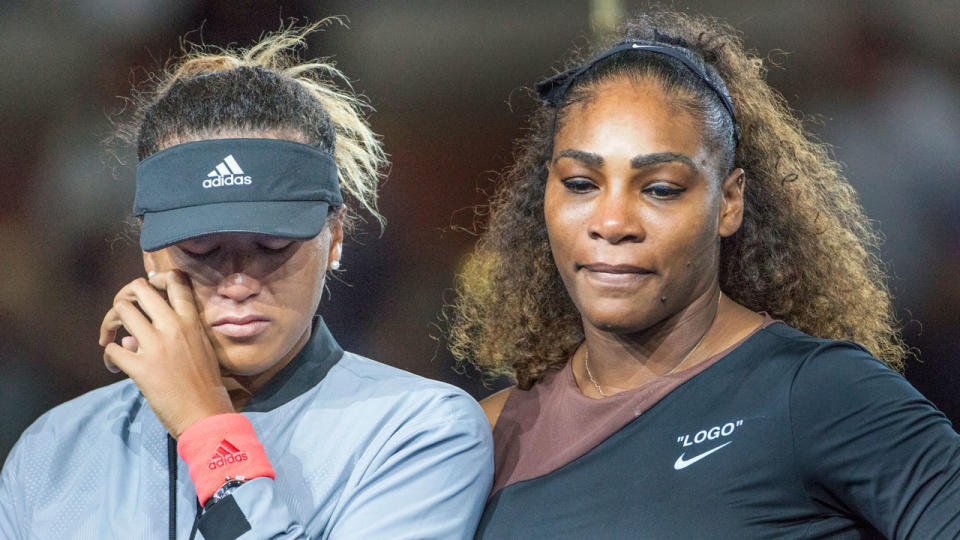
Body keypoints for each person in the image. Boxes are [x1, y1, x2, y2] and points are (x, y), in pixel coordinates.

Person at [449, 10, 960, 539]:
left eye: (661, 189)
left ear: (729, 202)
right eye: (581, 183)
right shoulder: (484, 436)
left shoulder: (816, 394)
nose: (612, 222)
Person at [0, 24, 492, 539]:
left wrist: (204, 426)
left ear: (337, 237)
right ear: (149, 250)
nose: (237, 282)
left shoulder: (421, 430)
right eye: (201, 249)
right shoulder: (53, 449)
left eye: (274, 246)